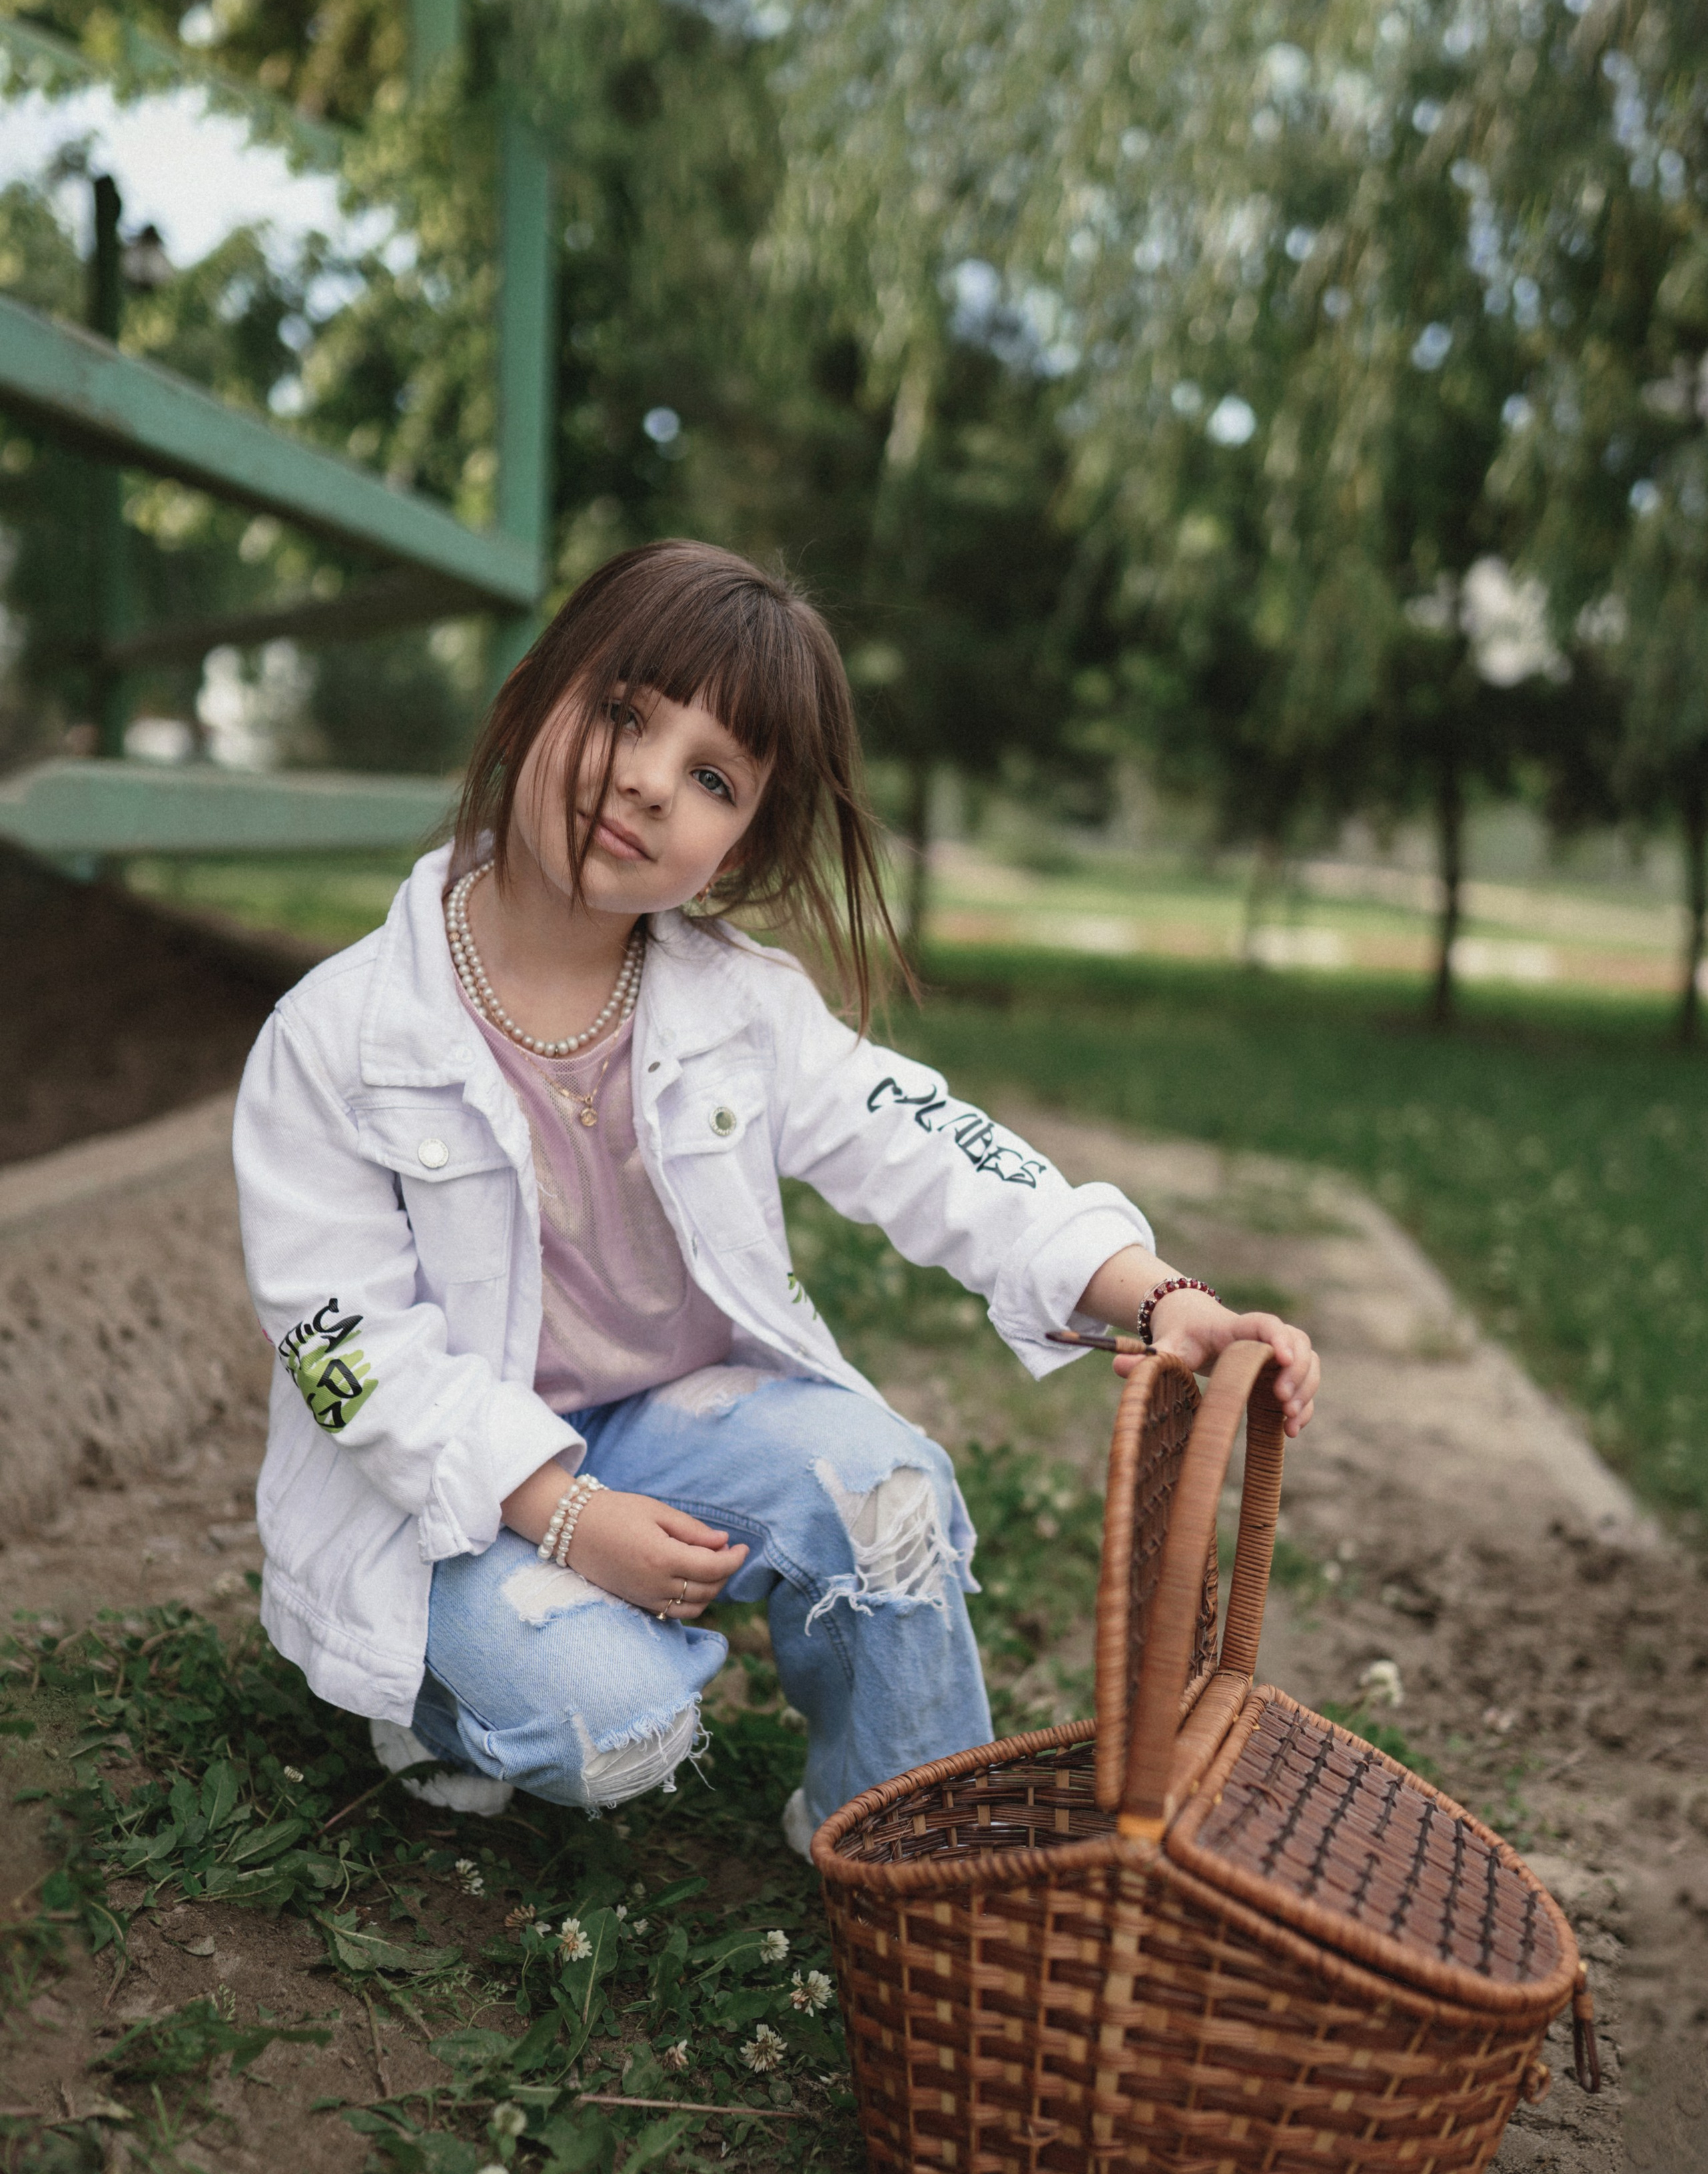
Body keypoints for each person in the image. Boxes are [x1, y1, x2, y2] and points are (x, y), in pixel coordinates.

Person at [233, 540, 1319, 1853]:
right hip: (443, 1487)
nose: (644, 781)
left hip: (665, 1424)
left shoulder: (740, 1007)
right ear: (533, 697)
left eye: (711, 778)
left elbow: (925, 1144)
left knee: (888, 1491)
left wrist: (1152, 1294)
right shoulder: (336, 1037)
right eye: (625, 714)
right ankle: (441, 1703)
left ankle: (900, 1842)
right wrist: (563, 1517)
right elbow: (337, 1347)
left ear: (740, 841)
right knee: (614, 1728)